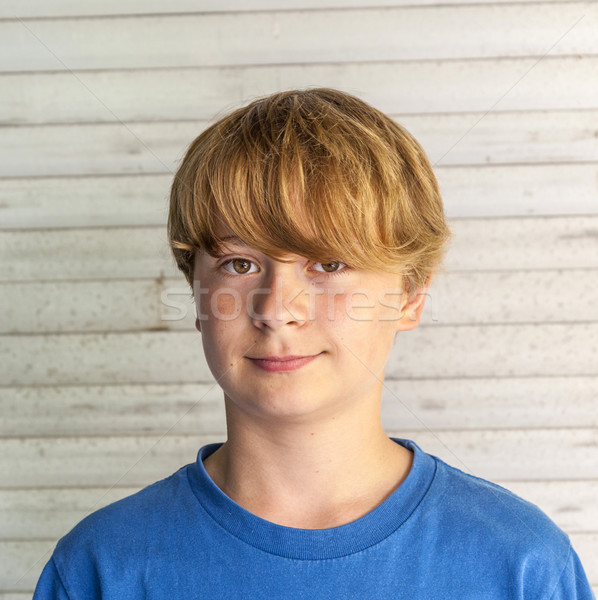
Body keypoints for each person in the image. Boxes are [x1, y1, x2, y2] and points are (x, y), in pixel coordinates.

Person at [33, 88, 594, 599]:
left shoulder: (522, 565)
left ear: (410, 297)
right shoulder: (98, 568)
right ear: (199, 296)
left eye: (329, 263)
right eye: (240, 262)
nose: (277, 309)